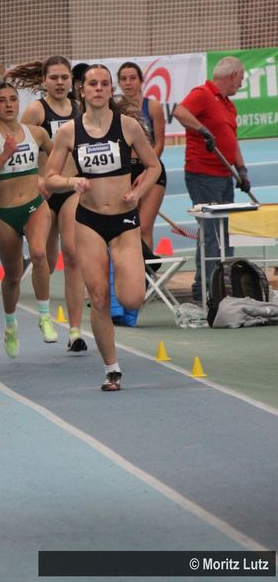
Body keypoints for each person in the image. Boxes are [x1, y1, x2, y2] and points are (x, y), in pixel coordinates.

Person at [45, 64, 161, 391]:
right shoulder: (69, 132)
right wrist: (72, 182)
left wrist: (138, 191)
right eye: (92, 84)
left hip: (124, 221)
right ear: (81, 90)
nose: (98, 88)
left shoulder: (127, 126)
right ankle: (112, 368)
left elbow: (153, 166)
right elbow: (49, 178)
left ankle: (114, 352)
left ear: (111, 90)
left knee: (132, 298)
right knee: (98, 297)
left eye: (104, 84)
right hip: (89, 221)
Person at [7, 55, 88, 353]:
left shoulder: (80, 110)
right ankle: (41, 309)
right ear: (44, 81)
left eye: (64, 77)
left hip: (70, 189)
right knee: (47, 262)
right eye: (53, 78)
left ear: (72, 81)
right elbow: (21, 150)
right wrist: (36, 180)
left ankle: (75, 331)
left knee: (73, 255)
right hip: (43, 193)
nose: (59, 83)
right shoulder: (36, 111)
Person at [0, 82, 55, 357]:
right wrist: (4, 155)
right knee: (12, 276)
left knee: (39, 254)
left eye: (13, 99)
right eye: (2, 100)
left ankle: (45, 317)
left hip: (35, 206)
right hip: (5, 214)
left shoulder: (37, 133)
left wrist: (50, 177)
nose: (9, 104)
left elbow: (60, 154)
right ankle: (11, 325)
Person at [173, 56, 250, 301]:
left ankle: (222, 285)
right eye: (241, 77)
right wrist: (202, 129)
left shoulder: (229, 105)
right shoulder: (203, 93)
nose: (242, 82)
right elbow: (179, 111)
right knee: (212, 235)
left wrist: (242, 169)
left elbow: (231, 139)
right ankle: (206, 289)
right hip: (203, 175)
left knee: (225, 235)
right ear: (233, 75)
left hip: (225, 176)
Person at [116, 61, 167, 251]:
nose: (128, 83)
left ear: (141, 80)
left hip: (151, 170)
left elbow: (159, 143)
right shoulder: (115, 109)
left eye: (132, 78)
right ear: (119, 83)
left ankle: (146, 269)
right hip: (126, 170)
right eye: (123, 79)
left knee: (144, 227)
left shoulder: (153, 106)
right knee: (129, 227)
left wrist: (147, 171)